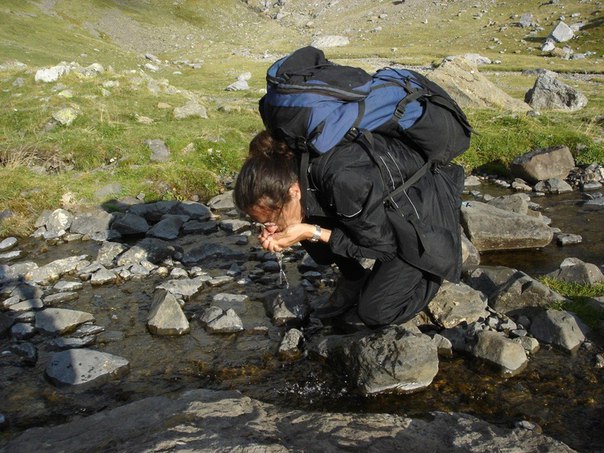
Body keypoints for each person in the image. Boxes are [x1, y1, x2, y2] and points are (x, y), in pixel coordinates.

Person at [233, 128, 461, 329]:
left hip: (422, 211)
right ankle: (356, 278)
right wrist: (287, 226)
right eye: (263, 223)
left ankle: (430, 272)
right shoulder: (293, 168)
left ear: (293, 191)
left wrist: (309, 231)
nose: (272, 226)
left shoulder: (342, 180)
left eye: (272, 218)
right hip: (379, 209)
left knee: (375, 312)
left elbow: (384, 249)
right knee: (309, 228)